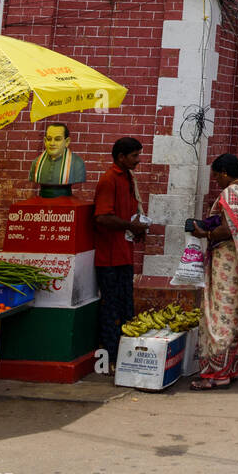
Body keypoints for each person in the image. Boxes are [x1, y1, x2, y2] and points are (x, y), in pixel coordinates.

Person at [188, 154, 238, 390]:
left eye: (216, 177)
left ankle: (216, 374)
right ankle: (229, 369)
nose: (216, 183)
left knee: (218, 316)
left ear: (224, 173)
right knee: (233, 317)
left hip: (228, 262)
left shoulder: (231, 193)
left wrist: (206, 234)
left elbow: (228, 229)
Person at [93, 137, 147, 371]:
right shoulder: (108, 180)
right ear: (121, 157)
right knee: (111, 308)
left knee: (125, 306)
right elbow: (102, 217)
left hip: (123, 253)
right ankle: (110, 357)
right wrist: (129, 225)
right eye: (134, 156)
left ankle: (123, 354)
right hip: (109, 257)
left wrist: (136, 227)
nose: (138, 160)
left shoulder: (127, 178)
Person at [29, 122, 87, 197]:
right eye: (49, 139)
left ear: (67, 142)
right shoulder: (36, 162)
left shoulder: (77, 163)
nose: (52, 143)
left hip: (65, 201)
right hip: (42, 200)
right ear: (45, 141)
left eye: (57, 139)